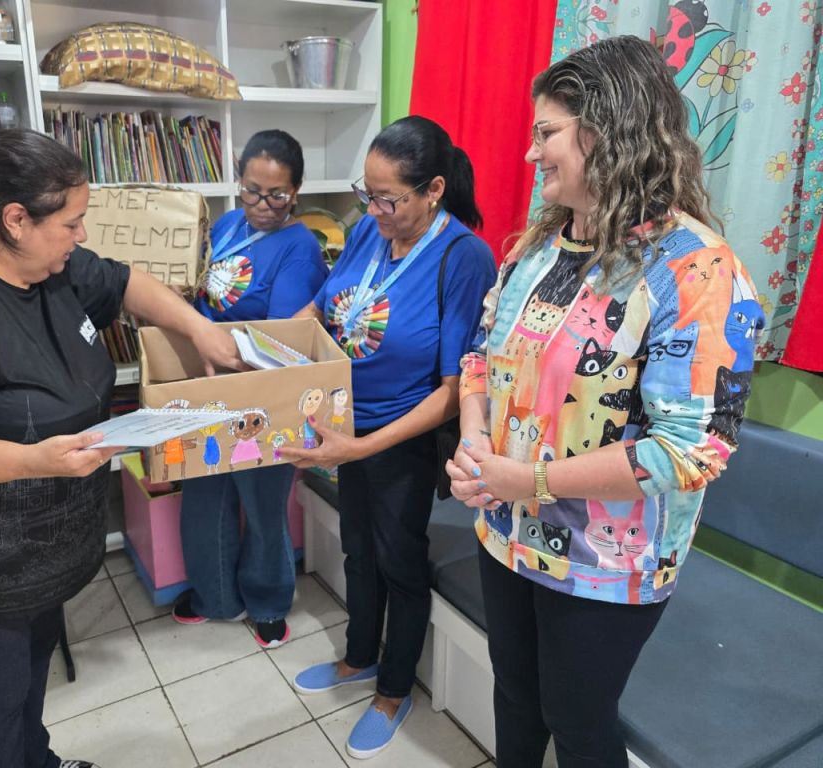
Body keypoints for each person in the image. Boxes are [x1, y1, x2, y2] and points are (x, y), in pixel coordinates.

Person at [0, 128, 242, 768]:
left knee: (28, 685)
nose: (82, 236)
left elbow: (124, 282)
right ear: (15, 220)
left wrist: (198, 328)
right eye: (72, 223)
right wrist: (30, 460)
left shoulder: (48, 263)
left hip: (35, 547)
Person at [446, 36, 764, 768]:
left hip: (608, 562)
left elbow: (692, 449)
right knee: (515, 695)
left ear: (606, 132)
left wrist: (529, 480)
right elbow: (480, 358)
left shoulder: (696, 270)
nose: (531, 153)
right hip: (505, 528)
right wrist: (474, 440)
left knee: (578, 720)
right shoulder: (535, 249)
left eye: (546, 134)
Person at [283, 115, 497, 759]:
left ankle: (393, 688)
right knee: (358, 549)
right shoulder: (367, 231)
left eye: (388, 199)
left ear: (433, 190)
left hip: (403, 437)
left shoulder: (463, 257)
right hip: (346, 424)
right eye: (367, 194)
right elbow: (320, 307)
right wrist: (269, 346)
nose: (373, 210)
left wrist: (362, 447)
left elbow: (456, 388)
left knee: (398, 559)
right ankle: (359, 657)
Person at [173, 130, 328, 648]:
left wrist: (215, 341)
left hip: (262, 394)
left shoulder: (300, 248)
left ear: (296, 191)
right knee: (204, 493)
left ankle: (267, 602)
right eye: (252, 191)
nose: (262, 205)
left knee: (262, 504)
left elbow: (279, 339)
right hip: (207, 385)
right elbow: (199, 293)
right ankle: (216, 596)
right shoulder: (227, 224)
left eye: (276, 195)